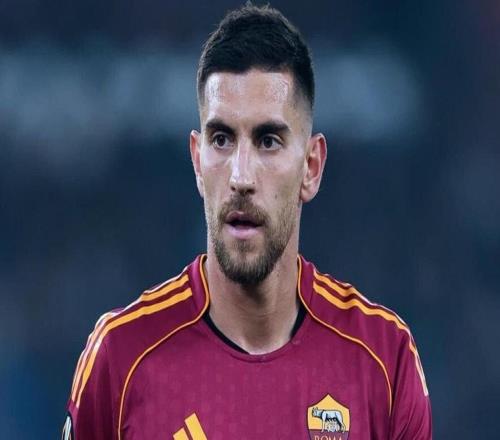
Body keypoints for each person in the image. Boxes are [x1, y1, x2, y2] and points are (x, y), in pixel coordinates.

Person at [63, 4, 432, 439]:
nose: (241, 177)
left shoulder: (383, 359)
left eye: (268, 141)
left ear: (311, 167)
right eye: (222, 139)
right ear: (197, 162)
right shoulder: (121, 357)